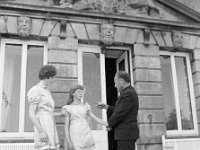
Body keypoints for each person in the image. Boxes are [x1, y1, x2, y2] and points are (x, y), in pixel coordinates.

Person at [97, 71, 139, 150]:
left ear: (122, 81)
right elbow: (119, 110)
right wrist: (106, 107)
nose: (115, 86)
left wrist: (109, 124)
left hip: (126, 134)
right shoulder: (127, 92)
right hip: (125, 134)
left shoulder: (128, 93)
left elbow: (120, 113)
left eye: (115, 82)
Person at [58, 84, 108, 150]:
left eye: (82, 92)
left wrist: (107, 123)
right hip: (75, 134)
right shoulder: (68, 108)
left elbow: (95, 118)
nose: (81, 93)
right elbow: (66, 127)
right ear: (72, 93)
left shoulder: (85, 107)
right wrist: (68, 141)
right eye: (78, 91)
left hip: (86, 133)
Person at [27, 65, 60, 150]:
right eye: (53, 78)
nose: (53, 80)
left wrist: (61, 114)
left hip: (50, 123)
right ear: (47, 77)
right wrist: (41, 131)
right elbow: (31, 113)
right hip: (42, 124)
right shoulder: (36, 90)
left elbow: (48, 112)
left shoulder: (47, 91)